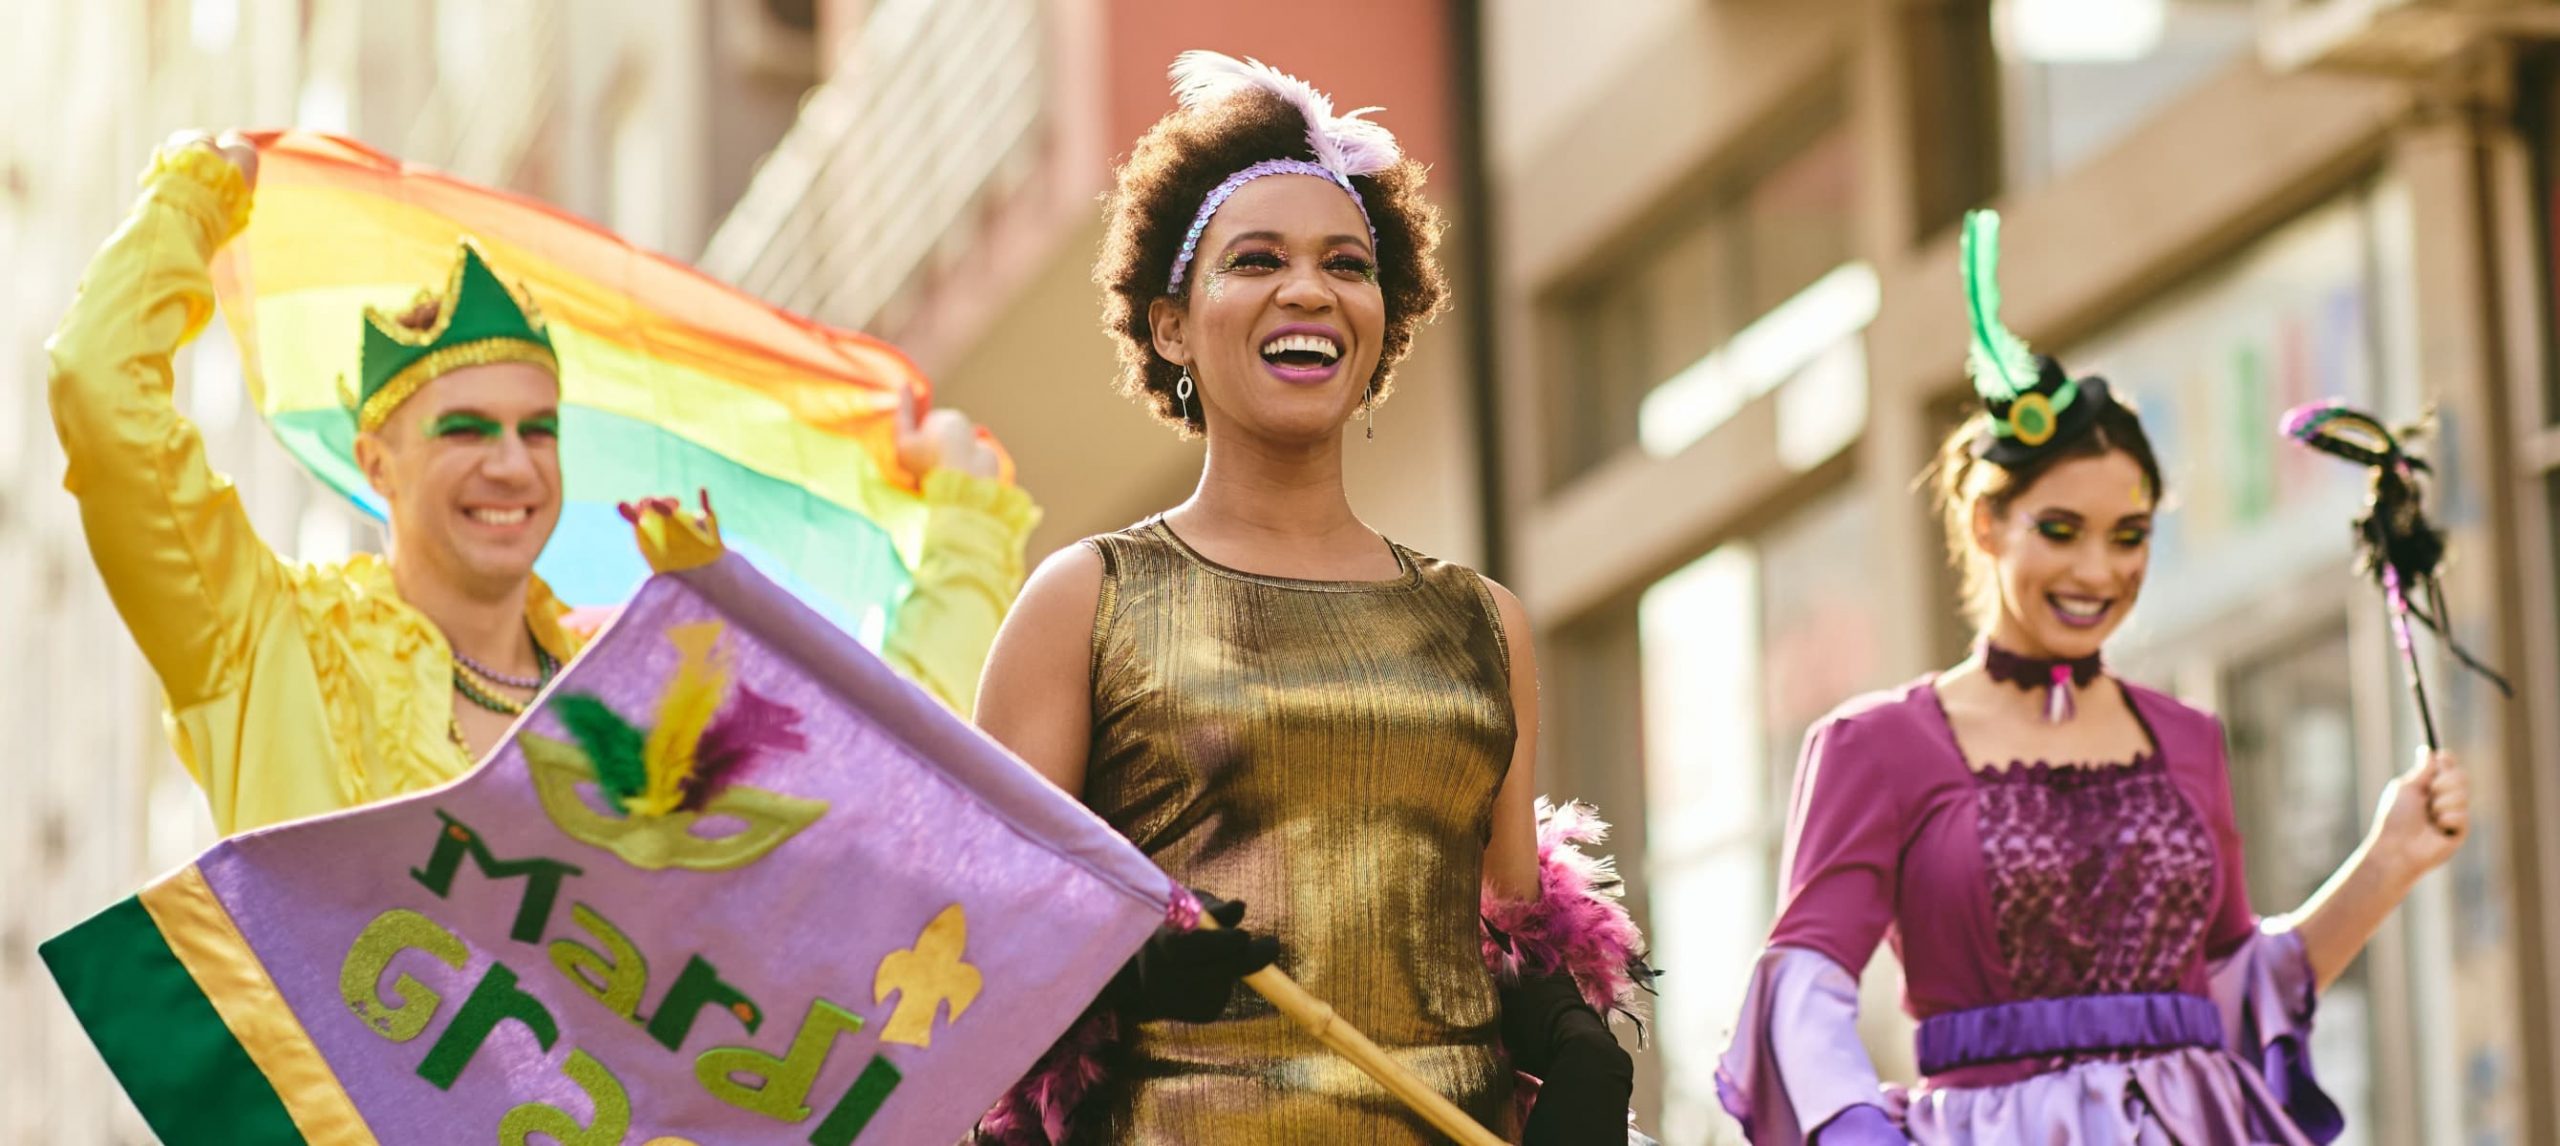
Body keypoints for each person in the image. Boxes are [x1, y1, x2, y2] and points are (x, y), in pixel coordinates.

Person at [969, 53, 1645, 1145]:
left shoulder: (1484, 623)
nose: (1308, 291)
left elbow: (1507, 927)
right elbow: (966, 939)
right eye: (1255, 260)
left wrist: (1564, 1030)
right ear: (1170, 326)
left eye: (1346, 263)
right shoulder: (1082, 600)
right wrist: (1113, 972)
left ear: (1383, 316)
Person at [1715, 210, 2470, 1144]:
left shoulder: (2186, 738)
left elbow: (2233, 993)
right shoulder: (1876, 747)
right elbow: (1806, 979)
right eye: (2061, 530)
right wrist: (1855, 1131)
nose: (2100, 572)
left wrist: (2389, 860)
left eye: (2131, 536)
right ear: (1988, 524)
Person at [47, 131, 1036, 837]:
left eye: (538, 431)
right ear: (375, 463)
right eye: (466, 431)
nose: (512, 465)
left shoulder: (636, 688)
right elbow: (102, 393)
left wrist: (967, 518)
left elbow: (885, 772)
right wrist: (191, 200)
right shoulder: (265, 646)